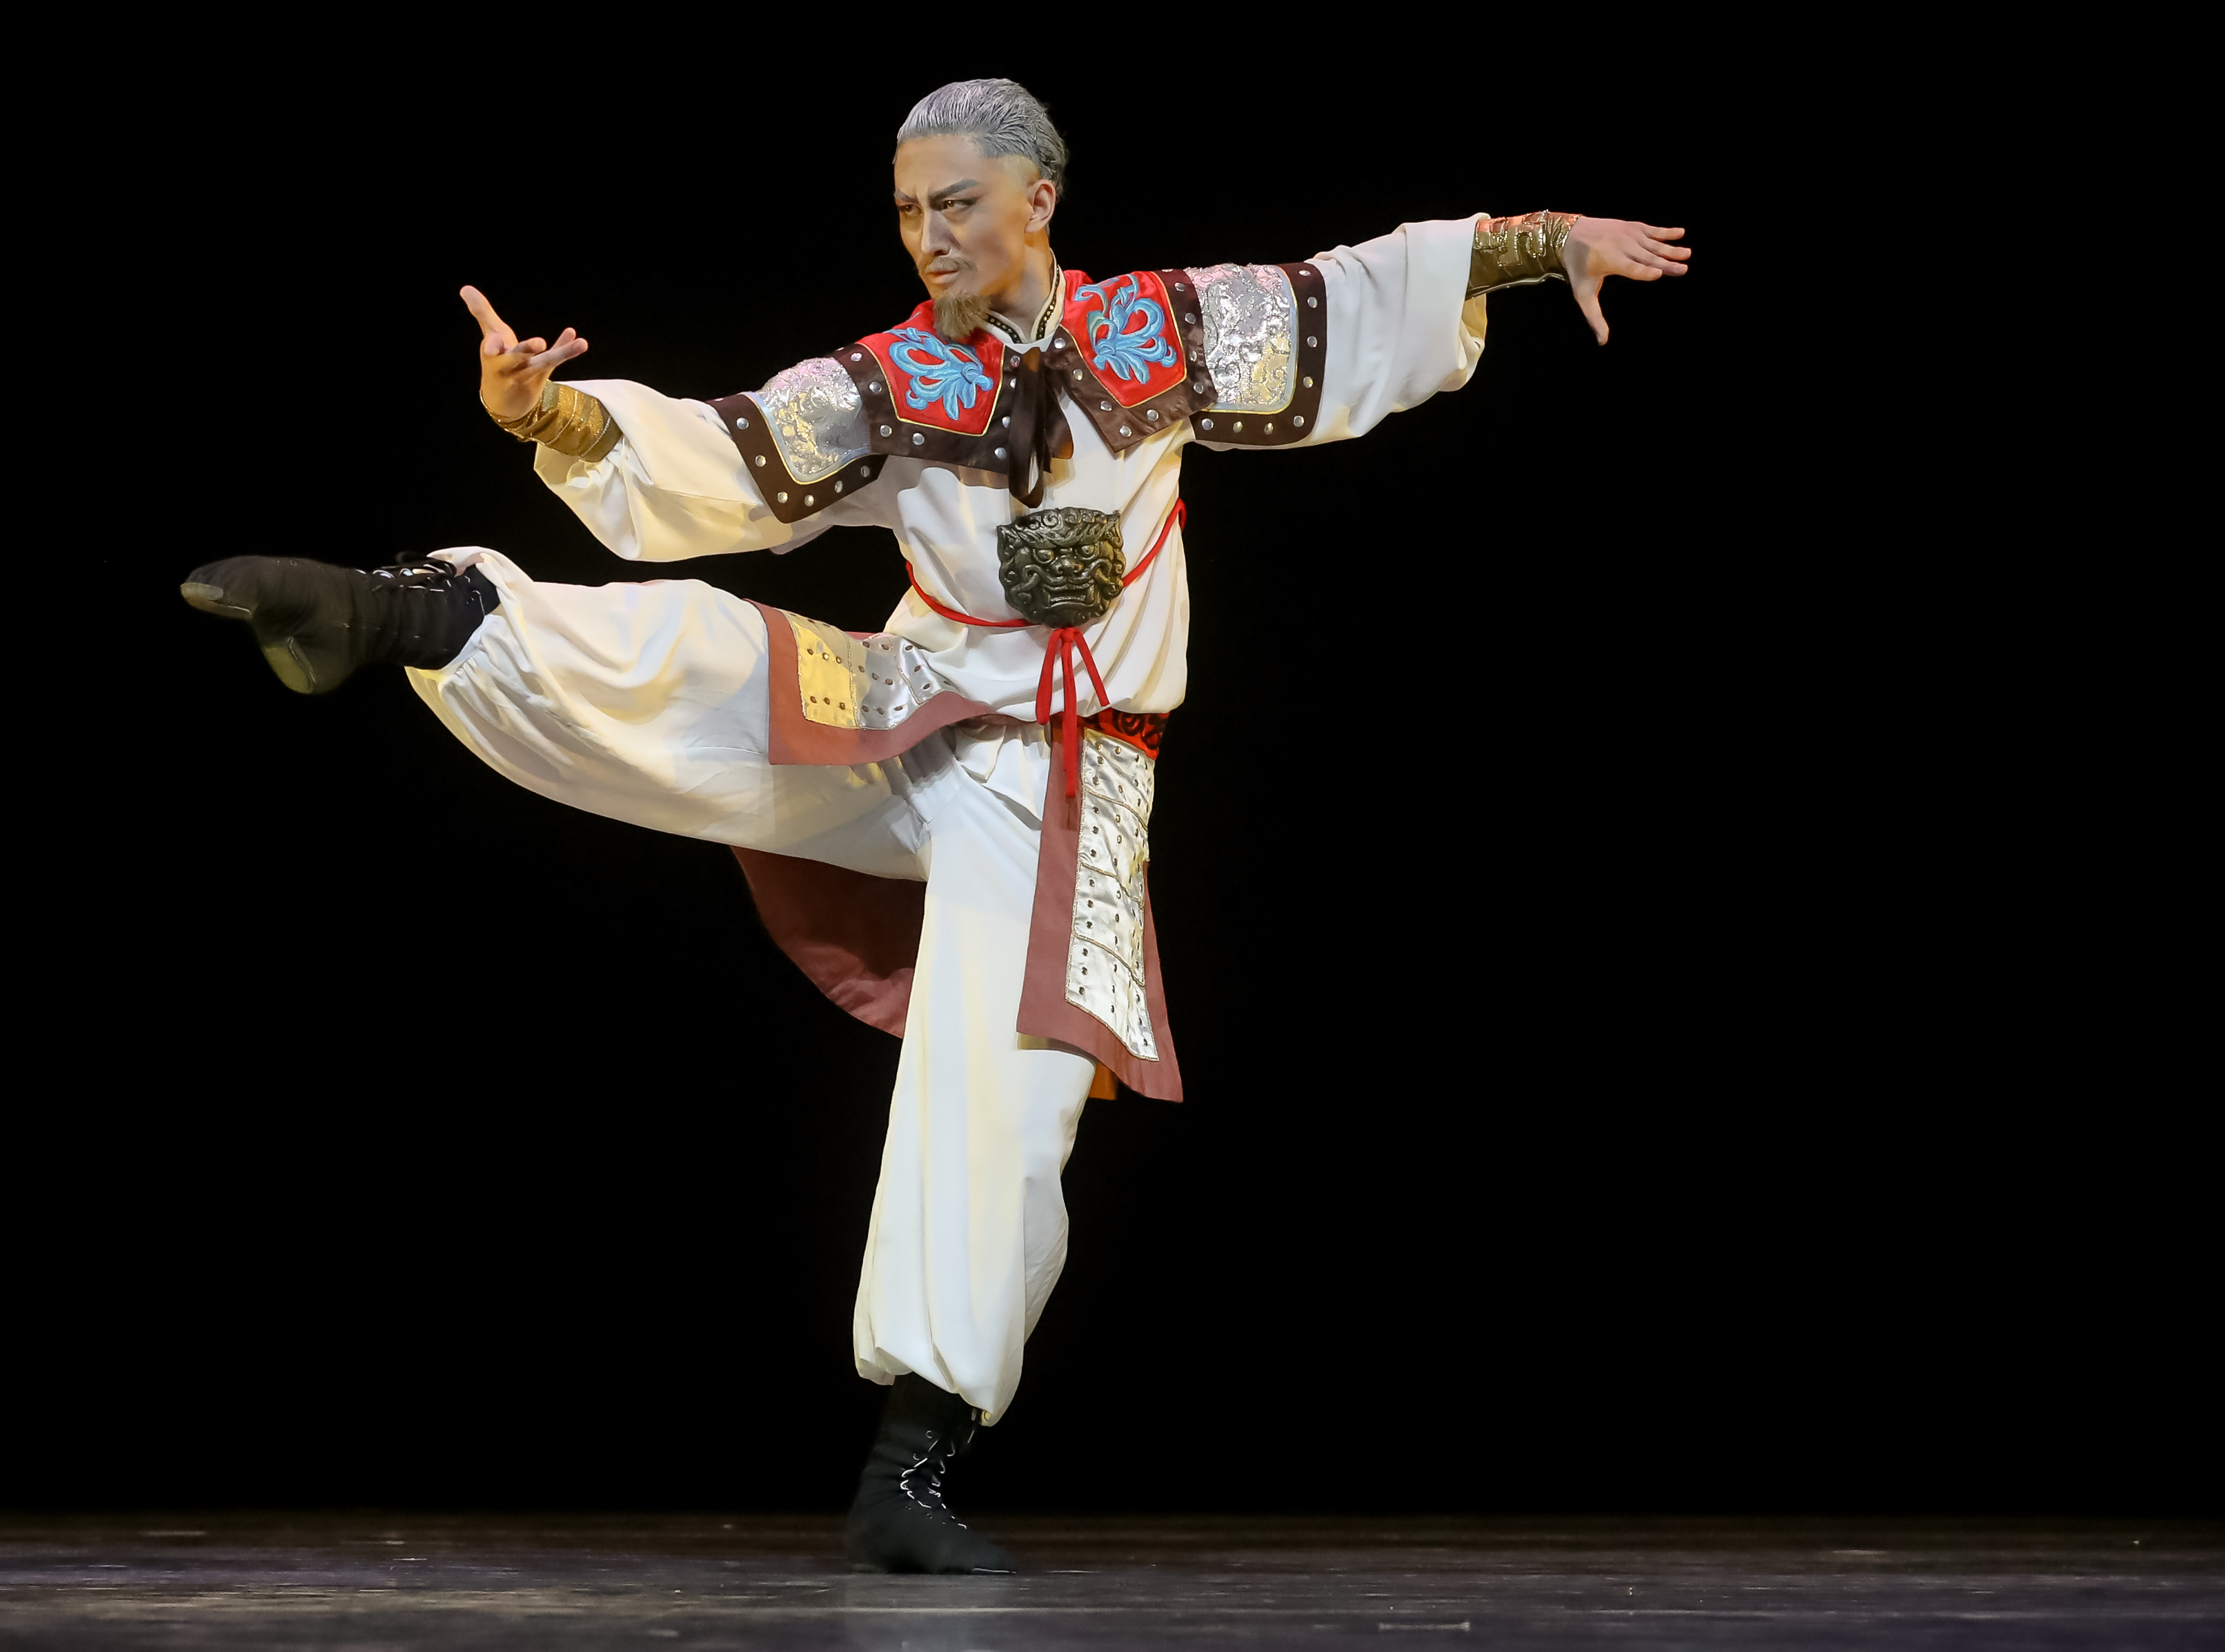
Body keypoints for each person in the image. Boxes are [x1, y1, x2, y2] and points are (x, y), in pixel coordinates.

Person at [183, 79, 1688, 1571]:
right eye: (908, 209)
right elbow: (726, 451)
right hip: (911, 711)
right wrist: (552, 412)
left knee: (1008, 1094)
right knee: (716, 657)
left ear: (1041, 199)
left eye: (956, 202)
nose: (929, 234)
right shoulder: (896, 380)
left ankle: (909, 1460)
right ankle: (406, 611)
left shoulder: (1160, 332)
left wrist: (1543, 238)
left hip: (1069, 779)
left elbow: (1347, 295)